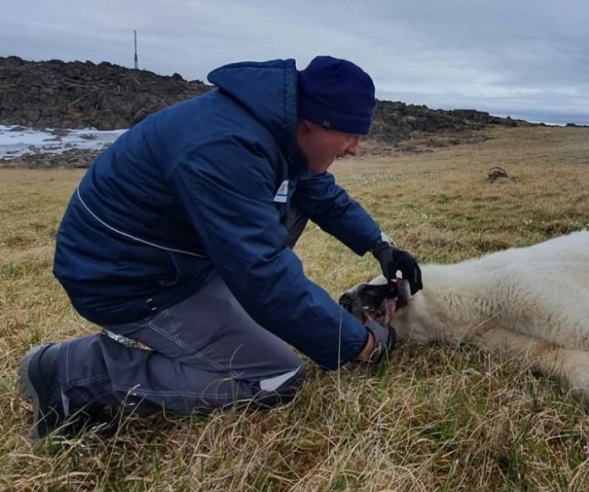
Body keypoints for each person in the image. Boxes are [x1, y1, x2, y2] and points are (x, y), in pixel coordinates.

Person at [17, 55, 423, 441]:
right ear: (313, 122)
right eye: (350, 134)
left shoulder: (276, 131)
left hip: (173, 260)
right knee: (274, 375)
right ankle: (73, 373)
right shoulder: (225, 148)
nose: (354, 148)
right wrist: (360, 345)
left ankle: (231, 316)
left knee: (292, 224)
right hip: (125, 279)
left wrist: (381, 246)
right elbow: (262, 273)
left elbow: (318, 194)